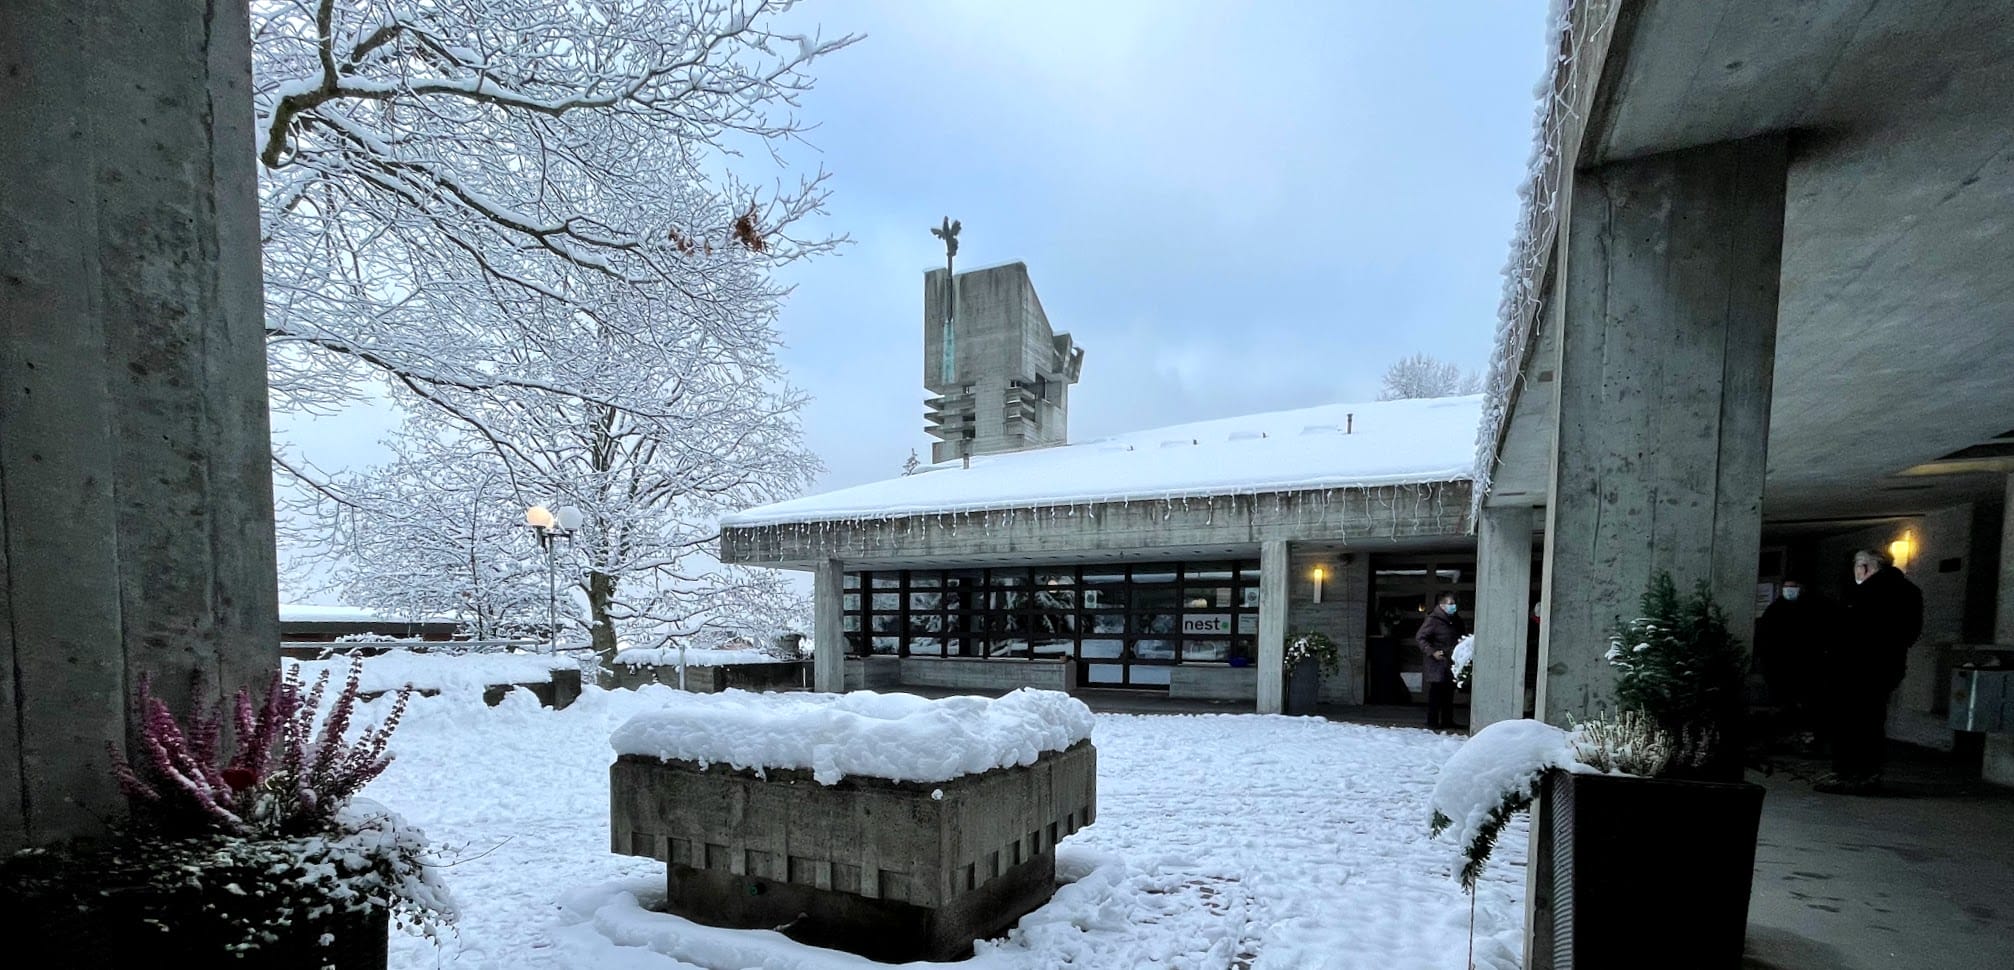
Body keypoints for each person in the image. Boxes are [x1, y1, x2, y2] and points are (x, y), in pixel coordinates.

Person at [1818, 549, 1923, 794]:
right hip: (1884, 667)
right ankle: (1866, 774)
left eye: (1857, 565)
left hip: (1857, 668)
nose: (1855, 570)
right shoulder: (1908, 591)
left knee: (1852, 723)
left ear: (1867, 566)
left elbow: (1849, 631)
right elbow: (1911, 632)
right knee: (1870, 721)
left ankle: (1851, 775)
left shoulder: (1866, 593)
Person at [1754, 577, 1838, 742]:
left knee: (1804, 704)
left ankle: (1803, 736)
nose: (1789, 590)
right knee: (1785, 704)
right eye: (1787, 586)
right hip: (1780, 667)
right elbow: (1764, 638)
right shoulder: (1775, 610)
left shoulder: (1811, 609)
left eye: (1793, 586)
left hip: (1805, 668)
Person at [1416, 592, 1463, 730]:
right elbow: (1421, 637)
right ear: (1442, 605)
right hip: (1437, 660)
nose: (1453, 606)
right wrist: (1432, 652)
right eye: (1450, 604)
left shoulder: (1455, 619)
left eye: (1454, 604)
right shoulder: (1433, 619)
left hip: (1451, 660)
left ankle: (1447, 720)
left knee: (1449, 692)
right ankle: (1432, 721)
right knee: (1436, 691)